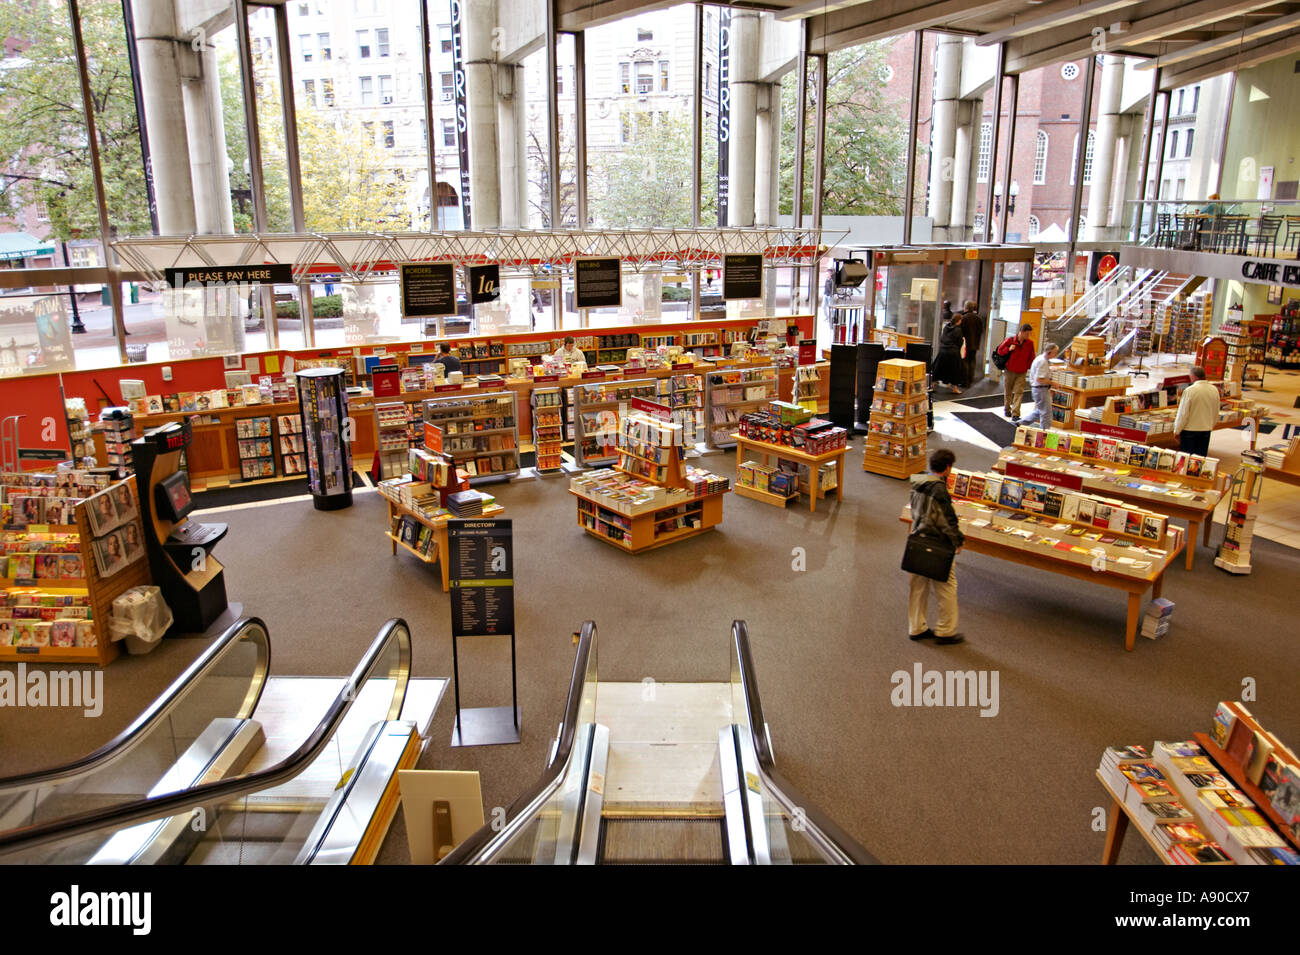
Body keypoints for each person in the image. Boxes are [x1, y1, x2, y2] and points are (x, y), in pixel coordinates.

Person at [906, 448, 965, 645]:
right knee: (946, 586)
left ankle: (916, 627)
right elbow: (947, 521)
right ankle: (946, 630)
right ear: (948, 468)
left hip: (916, 539)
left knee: (918, 587)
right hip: (937, 544)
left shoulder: (918, 480)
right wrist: (958, 541)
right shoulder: (939, 490)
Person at [1173, 366, 1220, 457]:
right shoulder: (1214, 389)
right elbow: (1216, 410)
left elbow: (1183, 413)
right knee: (1200, 459)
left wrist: (1177, 430)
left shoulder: (1190, 391)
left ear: (1194, 376)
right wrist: (1211, 425)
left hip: (1189, 431)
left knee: (1186, 459)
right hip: (1206, 429)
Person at [994, 323, 1038, 419]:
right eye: (1027, 334)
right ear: (1021, 332)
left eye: (1029, 334)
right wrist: (1008, 349)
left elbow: (1032, 357)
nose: (1028, 336)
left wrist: (1029, 366)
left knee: (1019, 392)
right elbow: (999, 351)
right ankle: (1007, 409)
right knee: (1008, 391)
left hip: (1022, 372)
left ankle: (1015, 413)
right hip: (1009, 370)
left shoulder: (1030, 343)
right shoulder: (1010, 341)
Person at [1016, 342, 1060, 429]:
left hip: (1039, 389)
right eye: (1055, 352)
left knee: (1039, 411)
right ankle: (1044, 432)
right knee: (1046, 413)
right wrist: (1053, 383)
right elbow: (1039, 379)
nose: (1056, 354)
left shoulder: (1041, 359)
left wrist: (1049, 369)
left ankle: (1019, 423)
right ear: (1049, 352)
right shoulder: (1043, 362)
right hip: (1041, 389)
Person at [931, 311, 966, 393]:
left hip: (943, 350)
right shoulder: (958, 330)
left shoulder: (946, 327)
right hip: (953, 352)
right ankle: (955, 388)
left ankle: (932, 385)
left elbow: (942, 338)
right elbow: (959, 342)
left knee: (938, 369)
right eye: (960, 320)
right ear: (958, 321)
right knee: (955, 370)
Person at [960, 300, 985, 387]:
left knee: (965, 362)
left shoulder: (963, 318)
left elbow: (961, 331)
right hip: (975, 344)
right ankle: (971, 378)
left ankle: (965, 381)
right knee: (972, 360)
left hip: (966, 344)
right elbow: (981, 331)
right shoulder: (978, 318)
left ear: (965, 307)